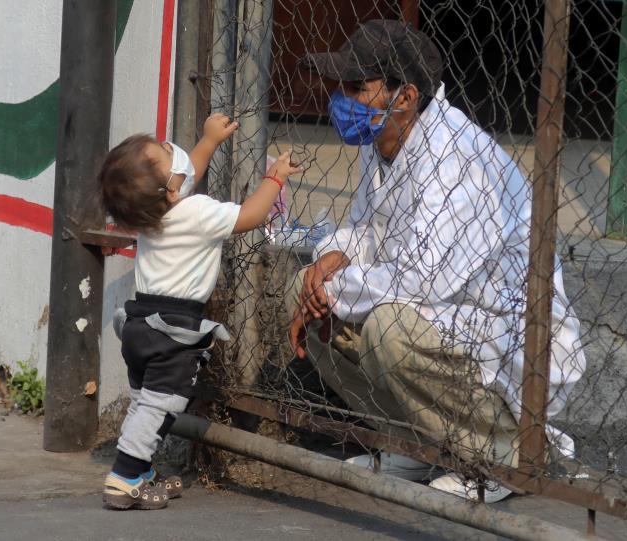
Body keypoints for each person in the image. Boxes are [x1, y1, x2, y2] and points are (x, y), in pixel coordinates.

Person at [288, 19, 586, 502]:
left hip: (502, 332)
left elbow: (421, 279)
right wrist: (330, 259)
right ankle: (422, 443)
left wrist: (334, 286)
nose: (341, 99)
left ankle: (504, 457)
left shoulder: (455, 161)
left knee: (388, 328)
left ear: (404, 97)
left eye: (356, 87)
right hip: (440, 313)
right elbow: (370, 228)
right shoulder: (386, 138)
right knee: (304, 283)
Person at [98, 113, 301, 510]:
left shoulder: (153, 214)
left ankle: (139, 471)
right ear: (172, 191)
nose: (175, 151)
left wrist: (209, 141)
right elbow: (251, 216)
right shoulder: (198, 213)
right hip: (174, 330)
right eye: (167, 152)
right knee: (162, 406)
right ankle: (123, 478)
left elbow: (181, 177)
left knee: (144, 403)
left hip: (141, 322)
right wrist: (274, 179)